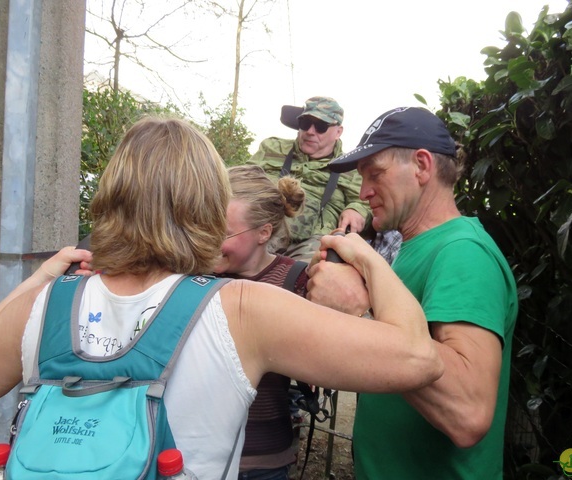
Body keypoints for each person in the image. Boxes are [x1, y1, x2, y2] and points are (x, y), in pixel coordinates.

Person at [0, 115, 443, 479]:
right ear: (209, 203)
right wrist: (370, 257)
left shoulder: (44, 305)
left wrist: (35, 285)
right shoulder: (241, 308)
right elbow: (418, 359)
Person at [306, 106, 518, 479]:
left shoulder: (462, 253)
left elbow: (467, 412)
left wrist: (361, 311)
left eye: (375, 174)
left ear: (421, 166)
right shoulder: (414, 249)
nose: (363, 191)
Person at [213, 164, 307, 479]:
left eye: (223, 233)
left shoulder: (297, 280)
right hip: (200, 451)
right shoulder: (196, 275)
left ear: (263, 233)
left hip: (263, 457)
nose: (210, 242)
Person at [248, 96, 370, 262]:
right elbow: (241, 180)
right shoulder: (272, 148)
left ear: (338, 132)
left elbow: (368, 202)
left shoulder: (351, 167)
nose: (310, 132)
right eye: (305, 123)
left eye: (321, 126)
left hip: (313, 241)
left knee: (304, 276)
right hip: (262, 227)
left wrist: (357, 209)